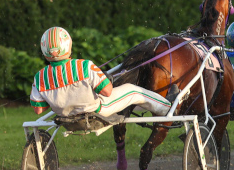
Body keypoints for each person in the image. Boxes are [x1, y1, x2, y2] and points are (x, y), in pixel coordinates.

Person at [30, 27, 170, 118]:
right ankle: (167, 108)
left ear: (44, 50)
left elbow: (38, 110)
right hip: (97, 110)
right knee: (134, 91)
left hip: (64, 116)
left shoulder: (39, 77)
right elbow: (107, 92)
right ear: (68, 45)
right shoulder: (84, 66)